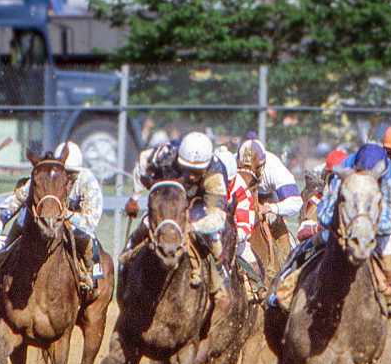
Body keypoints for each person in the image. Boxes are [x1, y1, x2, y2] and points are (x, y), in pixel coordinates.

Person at [271, 143, 391, 316]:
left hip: (373, 225)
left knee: (387, 246)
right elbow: (324, 210)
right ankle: (287, 279)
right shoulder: (345, 169)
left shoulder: (390, 177)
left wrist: (370, 228)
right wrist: (341, 225)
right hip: (344, 225)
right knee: (318, 240)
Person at [124, 132, 231, 314]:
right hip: (168, 201)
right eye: (185, 169)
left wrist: (192, 226)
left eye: (196, 172)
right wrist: (135, 197)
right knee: (145, 224)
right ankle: (127, 259)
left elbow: (218, 217)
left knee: (214, 240)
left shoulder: (215, 174)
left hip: (197, 205)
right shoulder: (166, 153)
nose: (190, 176)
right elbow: (143, 159)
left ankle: (220, 285)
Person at [0, 141, 104, 294]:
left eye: (71, 175)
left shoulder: (88, 183)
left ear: (78, 172)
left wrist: (64, 214)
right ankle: (1, 271)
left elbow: (90, 223)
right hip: (43, 224)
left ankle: (89, 275)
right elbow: (4, 210)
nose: (67, 178)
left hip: (73, 226)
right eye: (63, 173)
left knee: (86, 238)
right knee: (22, 220)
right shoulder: (44, 178)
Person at [236, 137, 303, 252]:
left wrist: (270, 208)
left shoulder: (275, 168)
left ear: (262, 166)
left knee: (285, 245)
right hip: (242, 201)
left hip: (270, 201)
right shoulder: (231, 163)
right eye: (243, 169)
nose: (249, 174)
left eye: (254, 170)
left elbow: (296, 202)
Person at [217, 148, 263, 302]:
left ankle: (257, 292)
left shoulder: (241, 189)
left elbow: (245, 225)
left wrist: (233, 237)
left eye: (227, 182)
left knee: (252, 266)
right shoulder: (206, 183)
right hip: (208, 238)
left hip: (236, 243)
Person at [297, 149, 347, 242]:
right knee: (298, 254)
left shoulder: (354, 199)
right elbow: (301, 233)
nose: (337, 181)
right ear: (326, 176)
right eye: (333, 176)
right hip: (322, 245)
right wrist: (321, 227)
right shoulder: (318, 199)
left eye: (341, 177)